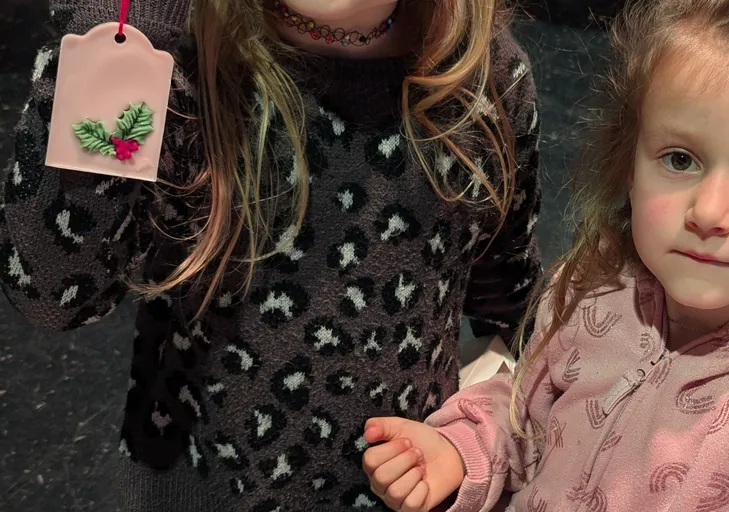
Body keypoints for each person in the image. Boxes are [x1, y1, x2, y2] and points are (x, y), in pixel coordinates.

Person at [360, 0, 729, 510]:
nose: (708, 210)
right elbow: (527, 415)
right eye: (679, 159)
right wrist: (460, 450)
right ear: (630, 160)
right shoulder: (592, 291)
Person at [0, 0, 542, 510]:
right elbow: (54, 292)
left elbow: (510, 299)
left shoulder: (486, 77)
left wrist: (477, 437)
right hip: (196, 485)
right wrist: (116, 36)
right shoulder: (175, 62)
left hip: (405, 486)